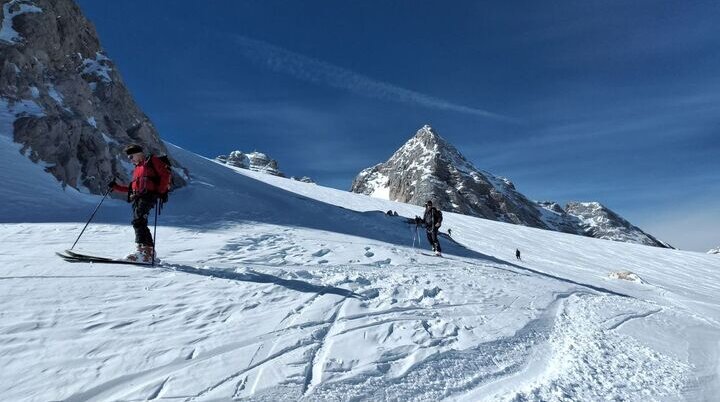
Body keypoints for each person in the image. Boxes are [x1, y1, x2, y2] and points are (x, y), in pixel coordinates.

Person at [108, 144, 171, 262]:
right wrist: (116, 187)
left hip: (148, 195)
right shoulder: (138, 168)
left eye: (131, 156)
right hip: (138, 197)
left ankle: (143, 252)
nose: (130, 159)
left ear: (138, 153)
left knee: (138, 221)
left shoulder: (151, 160)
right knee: (140, 221)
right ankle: (147, 251)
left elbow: (165, 175)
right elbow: (132, 188)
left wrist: (159, 191)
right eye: (128, 157)